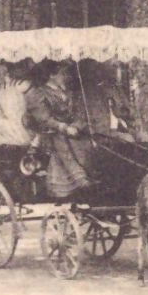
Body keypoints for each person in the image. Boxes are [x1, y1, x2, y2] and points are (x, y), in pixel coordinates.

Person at [25, 61, 94, 199]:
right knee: (61, 139)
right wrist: (63, 127)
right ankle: (78, 177)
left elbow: (73, 114)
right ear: (52, 75)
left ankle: (92, 173)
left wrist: (77, 125)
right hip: (49, 134)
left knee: (89, 139)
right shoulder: (38, 94)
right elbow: (44, 119)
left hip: (69, 131)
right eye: (63, 73)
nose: (66, 76)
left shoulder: (65, 93)